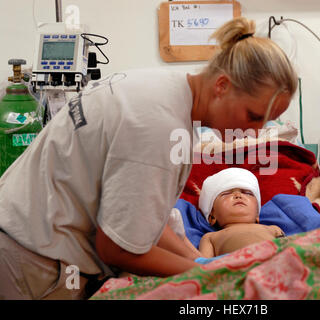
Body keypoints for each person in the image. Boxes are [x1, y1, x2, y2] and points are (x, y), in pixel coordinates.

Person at [0, 17, 298, 299]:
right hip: (32, 259)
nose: (255, 132)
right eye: (254, 116)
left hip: (20, 229)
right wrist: (207, 274)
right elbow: (117, 248)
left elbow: (137, 214)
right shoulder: (159, 127)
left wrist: (198, 259)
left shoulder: (163, 90)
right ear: (222, 86)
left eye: (267, 122)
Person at [198, 168, 285, 258]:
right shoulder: (210, 237)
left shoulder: (273, 229)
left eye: (247, 193)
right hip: (242, 268)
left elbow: (290, 247)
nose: (238, 195)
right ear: (212, 217)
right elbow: (203, 266)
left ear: (257, 215)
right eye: (226, 194)